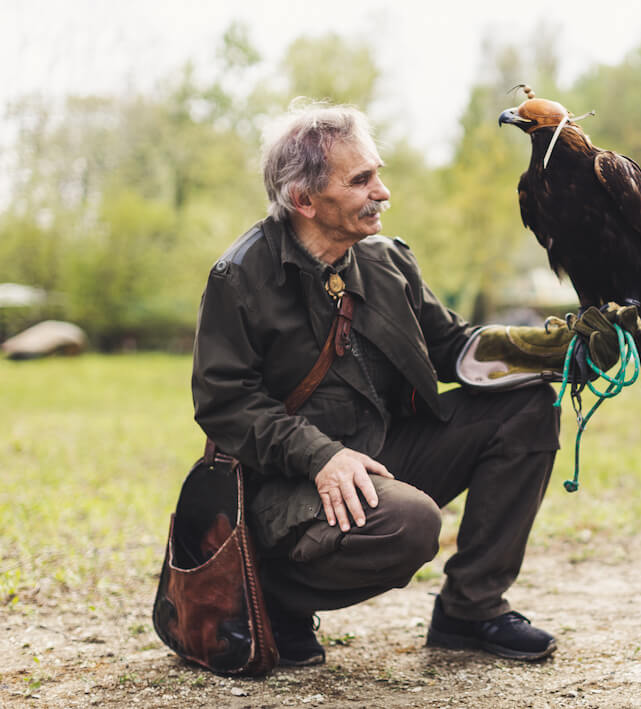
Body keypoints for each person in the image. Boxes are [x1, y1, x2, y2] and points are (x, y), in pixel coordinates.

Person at [190, 101, 562, 667]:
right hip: (282, 485)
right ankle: (273, 594)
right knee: (412, 522)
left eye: (377, 173)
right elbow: (225, 404)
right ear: (304, 200)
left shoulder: (387, 261)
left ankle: (471, 610)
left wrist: (555, 348)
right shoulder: (240, 276)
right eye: (361, 180)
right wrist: (321, 456)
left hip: (381, 453)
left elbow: (454, 348)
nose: (382, 192)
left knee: (529, 404)